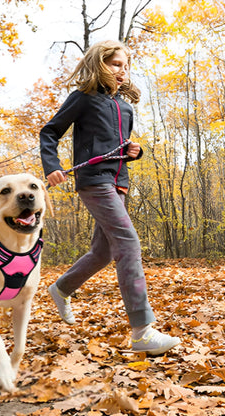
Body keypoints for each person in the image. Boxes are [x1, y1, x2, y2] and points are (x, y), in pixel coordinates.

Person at [40, 40, 180, 355]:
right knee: (128, 243)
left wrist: (135, 151)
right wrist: (53, 167)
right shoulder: (83, 99)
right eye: (116, 64)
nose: (122, 70)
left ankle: (61, 288)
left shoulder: (125, 106)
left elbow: (120, 146)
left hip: (119, 182)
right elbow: (49, 132)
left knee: (102, 252)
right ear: (99, 64)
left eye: (126, 65)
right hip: (94, 181)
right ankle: (142, 330)